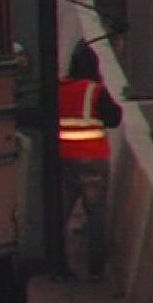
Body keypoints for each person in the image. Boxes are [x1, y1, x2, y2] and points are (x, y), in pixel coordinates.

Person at [58, 42, 123, 279]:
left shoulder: (59, 88)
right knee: (95, 215)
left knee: (58, 216)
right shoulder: (95, 90)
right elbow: (115, 118)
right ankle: (96, 270)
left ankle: (59, 267)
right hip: (92, 160)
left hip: (61, 159)